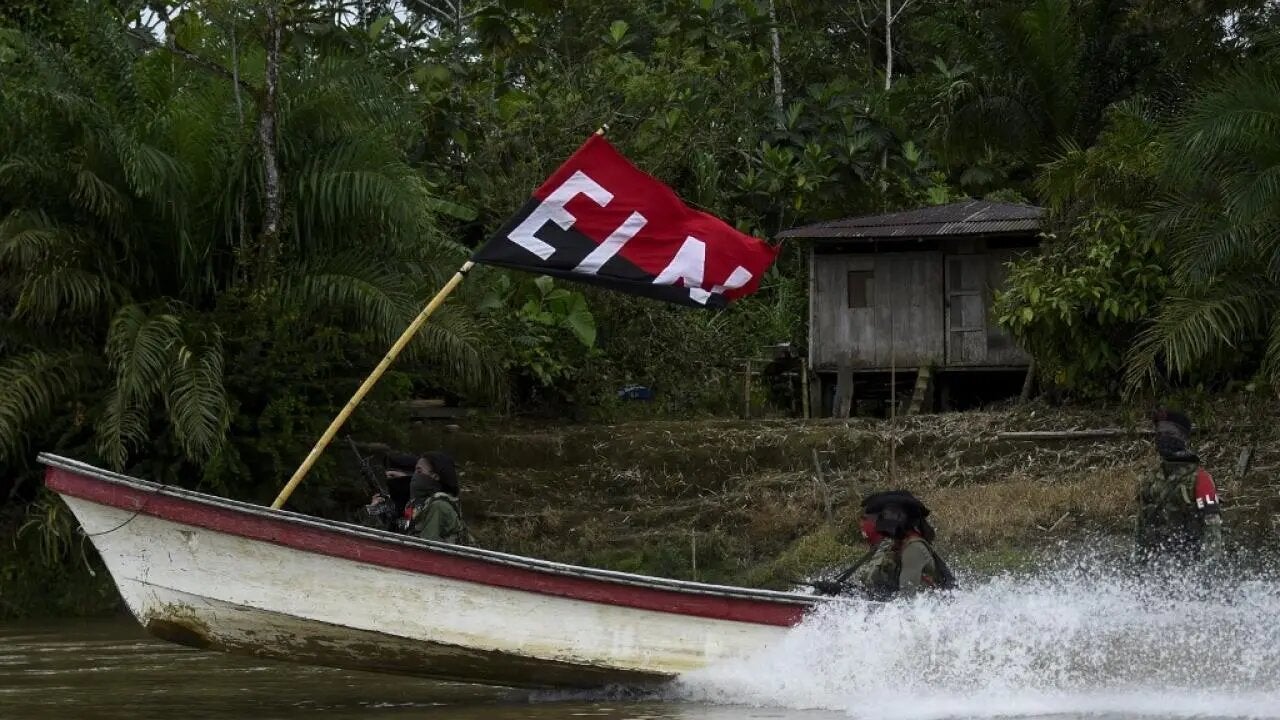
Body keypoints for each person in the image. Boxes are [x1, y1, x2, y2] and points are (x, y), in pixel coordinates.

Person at [813, 490, 955, 600]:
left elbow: (907, 602)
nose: (878, 521)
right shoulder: (892, 546)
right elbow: (875, 589)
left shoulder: (914, 549)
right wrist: (842, 590)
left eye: (886, 515)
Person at [1135, 409, 1223, 564]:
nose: (1162, 438)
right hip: (1155, 564)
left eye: (1169, 433)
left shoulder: (1200, 478)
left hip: (1190, 563)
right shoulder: (1150, 479)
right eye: (1159, 434)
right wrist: (1139, 563)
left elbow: (1212, 526)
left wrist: (1209, 567)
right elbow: (1141, 525)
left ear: (1182, 437)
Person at [379, 450, 470, 545]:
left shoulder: (439, 506)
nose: (414, 476)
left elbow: (426, 547)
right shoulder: (417, 505)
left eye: (419, 471)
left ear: (435, 476)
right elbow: (401, 534)